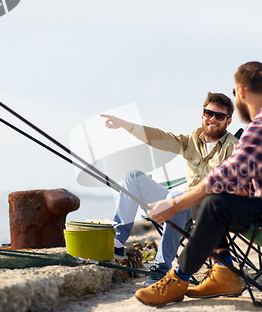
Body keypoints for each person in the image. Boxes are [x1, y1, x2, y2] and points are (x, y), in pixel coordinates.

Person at [135, 61, 262, 306]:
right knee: (207, 197)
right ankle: (224, 272)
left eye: (235, 94)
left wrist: (175, 204)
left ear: (241, 92)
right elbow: (242, 174)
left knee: (213, 200)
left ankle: (179, 277)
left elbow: (227, 174)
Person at [100, 92, 238, 285]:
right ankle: (118, 241)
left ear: (228, 121)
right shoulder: (192, 140)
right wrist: (126, 125)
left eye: (220, 116)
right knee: (133, 177)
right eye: (209, 113)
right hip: (181, 201)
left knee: (175, 197)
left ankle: (161, 268)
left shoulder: (233, 147)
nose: (213, 119)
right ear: (202, 115)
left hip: (207, 208)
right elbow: (160, 137)